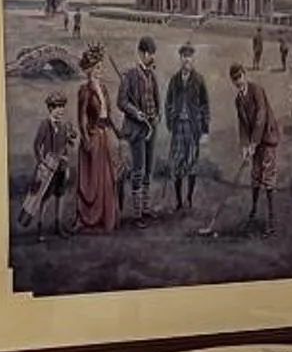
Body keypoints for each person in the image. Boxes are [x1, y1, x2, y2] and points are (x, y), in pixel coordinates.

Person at [229, 61, 281, 234]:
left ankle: (272, 221)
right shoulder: (238, 100)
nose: (238, 81)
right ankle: (254, 210)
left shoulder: (256, 90)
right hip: (254, 142)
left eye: (240, 77)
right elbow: (242, 125)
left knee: (268, 177)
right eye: (234, 79)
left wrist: (254, 142)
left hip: (267, 138)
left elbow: (261, 117)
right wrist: (245, 146)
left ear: (245, 74)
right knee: (255, 175)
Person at [73, 44, 119, 232]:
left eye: (101, 67)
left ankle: (104, 218)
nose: (100, 71)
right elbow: (81, 117)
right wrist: (85, 139)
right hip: (92, 137)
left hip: (104, 136)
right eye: (98, 68)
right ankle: (86, 218)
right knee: (90, 180)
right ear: (90, 69)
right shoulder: (85, 90)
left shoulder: (104, 89)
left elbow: (108, 115)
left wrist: (117, 132)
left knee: (105, 179)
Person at [118, 36, 162, 222]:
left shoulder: (152, 75)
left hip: (152, 127)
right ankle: (137, 214)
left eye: (152, 54)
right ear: (142, 53)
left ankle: (145, 208)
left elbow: (156, 99)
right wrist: (136, 113)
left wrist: (158, 115)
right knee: (138, 170)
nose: (152, 57)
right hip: (137, 129)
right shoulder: (129, 75)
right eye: (149, 54)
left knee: (149, 170)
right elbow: (121, 102)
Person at [165, 42, 212, 215]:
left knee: (192, 163)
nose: (187, 59)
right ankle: (178, 201)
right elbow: (168, 102)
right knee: (177, 163)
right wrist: (170, 121)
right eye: (184, 56)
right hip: (178, 126)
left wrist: (205, 131)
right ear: (180, 59)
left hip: (193, 128)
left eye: (189, 56)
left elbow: (205, 105)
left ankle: (189, 198)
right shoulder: (174, 80)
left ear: (193, 59)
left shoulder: (199, 80)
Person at [20, 92, 75, 232]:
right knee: (45, 196)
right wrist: (42, 162)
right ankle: (41, 226)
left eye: (62, 107)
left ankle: (58, 225)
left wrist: (70, 140)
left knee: (60, 195)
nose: (61, 110)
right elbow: (37, 145)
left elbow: (68, 145)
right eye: (57, 107)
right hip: (49, 167)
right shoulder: (44, 125)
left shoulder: (64, 126)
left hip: (61, 167)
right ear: (50, 108)